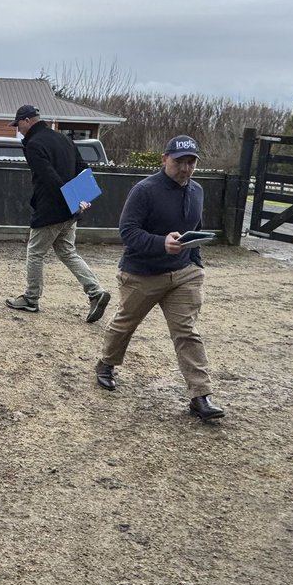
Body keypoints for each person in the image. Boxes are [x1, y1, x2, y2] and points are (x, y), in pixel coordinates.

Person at [93, 134, 225, 420]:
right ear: (165, 159)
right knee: (125, 323)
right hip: (142, 273)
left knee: (186, 332)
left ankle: (200, 395)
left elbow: (196, 229)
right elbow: (128, 232)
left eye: (191, 162)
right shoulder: (144, 190)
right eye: (179, 162)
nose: (186, 168)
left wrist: (196, 264)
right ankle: (106, 363)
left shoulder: (197, 190)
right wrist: (160, 242)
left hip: (183, 274)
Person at [4, 105, 110, 323]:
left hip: (51, 208)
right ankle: (96, 292)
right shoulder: (63, 139)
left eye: (18, 125)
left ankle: (31, 298)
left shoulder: (34, 144)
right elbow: (82, 168)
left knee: (35, 252)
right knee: (67, 252)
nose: (18, 130)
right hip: (70, 210)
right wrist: (81, 199)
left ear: (27, 121)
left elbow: (49, 177)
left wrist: (73, 200)